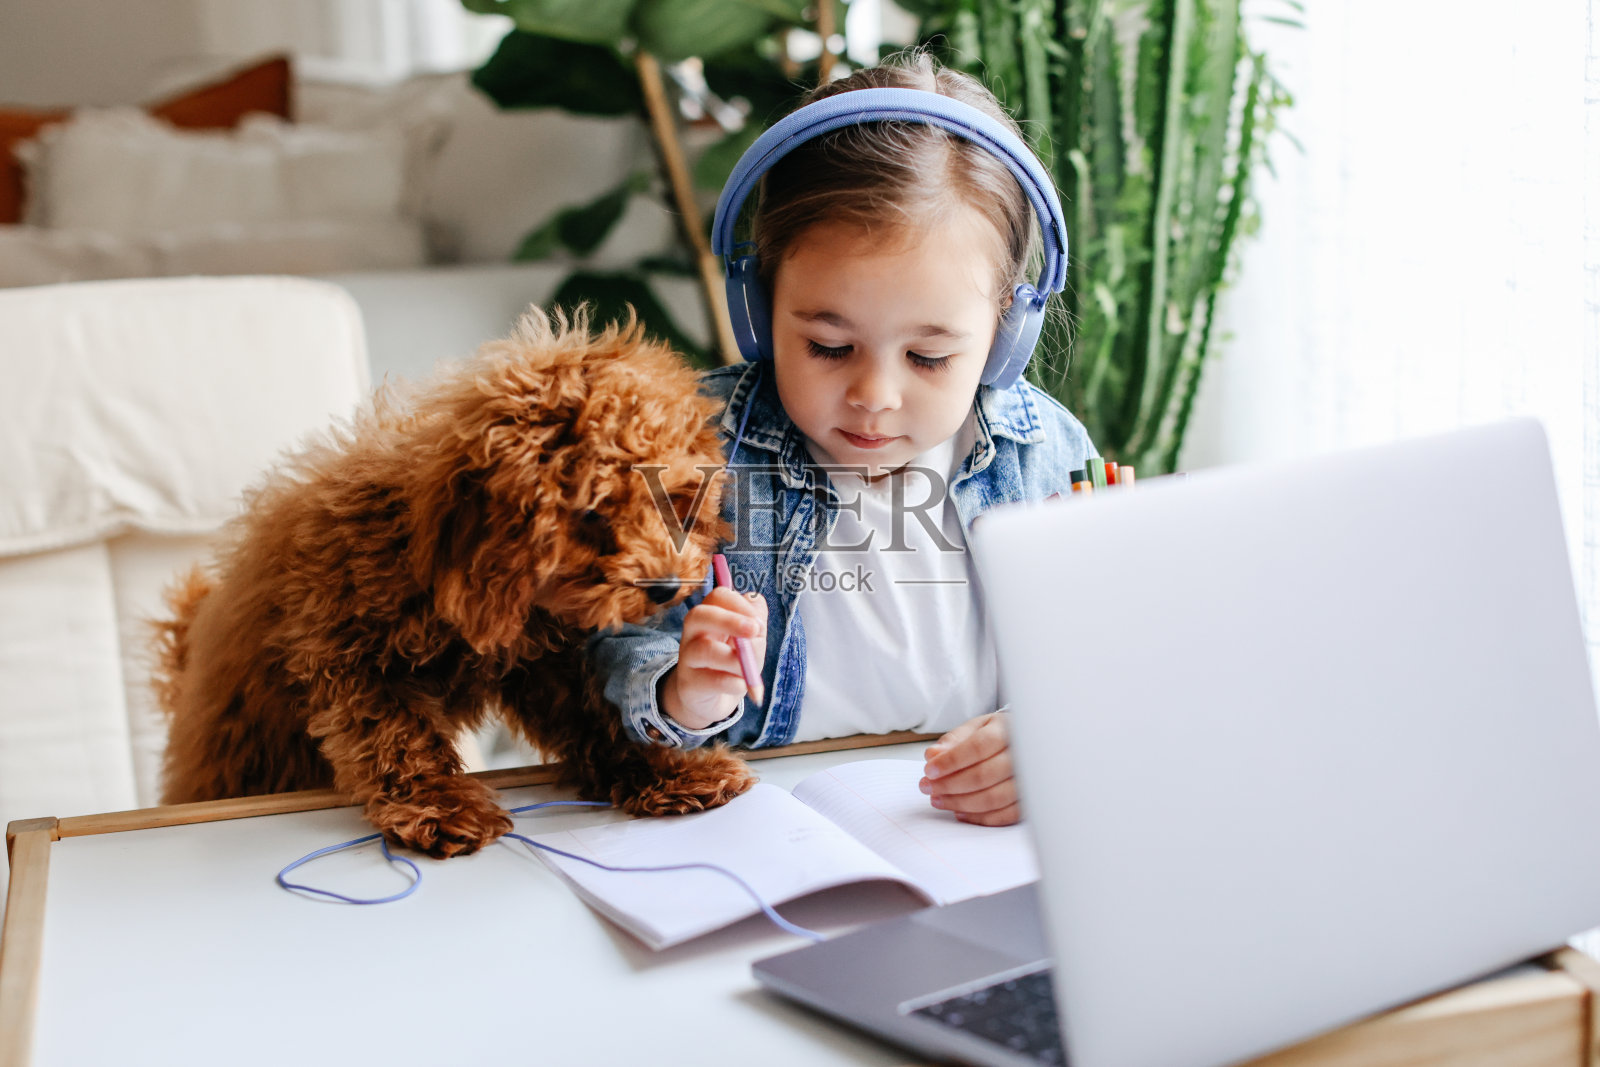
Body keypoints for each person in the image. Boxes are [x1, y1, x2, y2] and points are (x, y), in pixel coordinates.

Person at [588, 50, 1095, 827]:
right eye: (829, 346)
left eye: (928, 357)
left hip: (970, 839)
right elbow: (619, 659)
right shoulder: (697, 449)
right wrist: (685, 694)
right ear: (757, 305)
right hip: (755, 820)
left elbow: (1101, 659)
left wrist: (1051, 739)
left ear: (1006, 333)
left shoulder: (1046, 453)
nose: (874, 397)